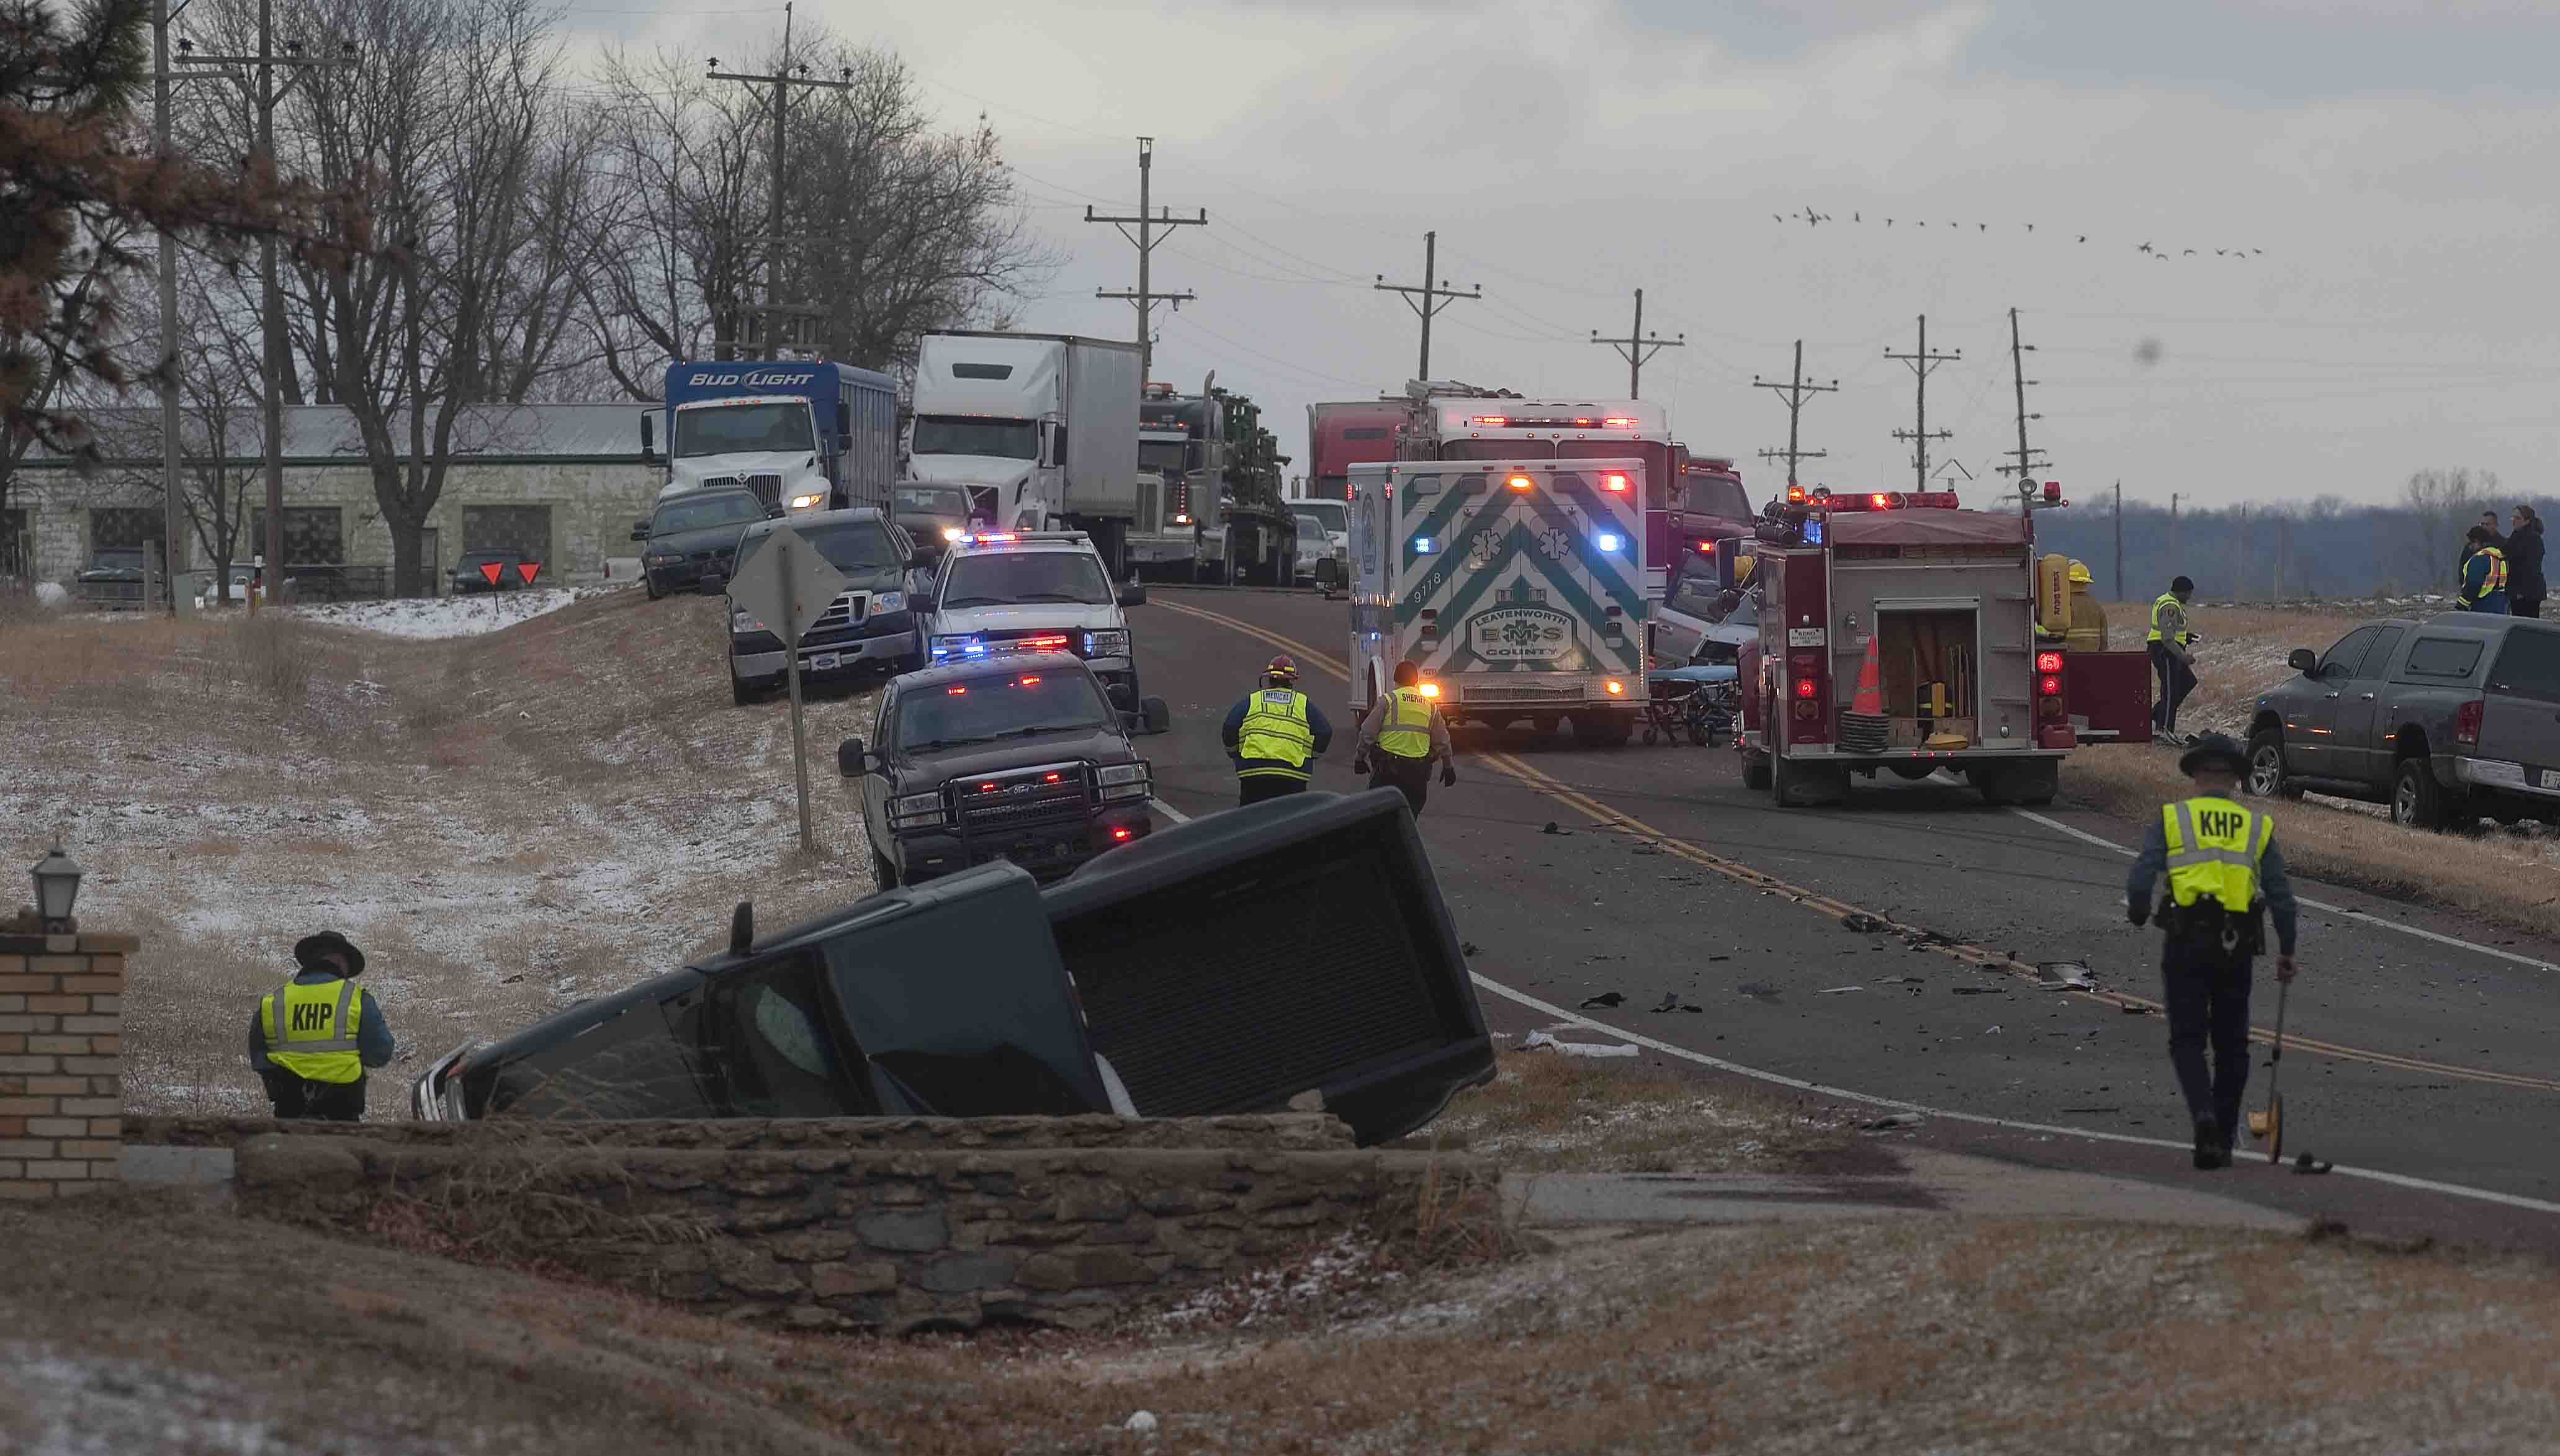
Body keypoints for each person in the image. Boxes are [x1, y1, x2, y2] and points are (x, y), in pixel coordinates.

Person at [2126, 733, 2299, 1171]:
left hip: (2185, 941)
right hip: (2236, 945)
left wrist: (2139, 911)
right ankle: (2222, 1136)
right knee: (2231, 1045)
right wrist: (2287, 949)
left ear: (2197, 774)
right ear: (2236, 779)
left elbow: (2141, 877)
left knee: (2187, 1039)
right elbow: (2280, 896)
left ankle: (2202, 1115)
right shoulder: (2255, 827)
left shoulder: (2174, 818)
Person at [250, 931, 394, 1121]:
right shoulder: (357, 999)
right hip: (341, 1117)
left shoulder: (273, 1002)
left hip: (288, 1117)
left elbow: (259, 1057)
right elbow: (381, 1052)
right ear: (341, 962)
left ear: (310, 960)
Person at [1220, 654, 1332, 806]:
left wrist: (1235, 753)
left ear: (1269, 679)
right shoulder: (1302, 703)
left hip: (1254, 773)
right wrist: (1310, 755)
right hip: (1292, 775)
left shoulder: (1254, 700)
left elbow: (1230, 726)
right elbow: (1324, 731)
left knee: (1252, 817)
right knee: (1291, 818)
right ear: (1291, 681)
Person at [1352, 662, 1456, 816]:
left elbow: (1367, 733)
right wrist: (1448, 767)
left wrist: (1359, 758)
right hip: (1417, 775)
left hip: (1388, 773)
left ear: (1395, 679)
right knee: (1409, 820)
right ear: (1416, 681)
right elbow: (1443, 741)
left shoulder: (1388, 701)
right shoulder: (1430, 706)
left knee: (1377, 817)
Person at [2145, 575, 2199, 743]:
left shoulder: (2170, 602)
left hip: (2169, 650)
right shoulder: (2170, 606)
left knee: (2188, 682)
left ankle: (2157, 714)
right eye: (2189, 593)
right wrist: (2184, 657)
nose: (2189, 597)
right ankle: (2164, 731)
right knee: (2170, 691)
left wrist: (2186, 637)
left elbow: (2171, 631)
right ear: (2182, 591)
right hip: (2165, 651)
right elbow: (2167, 638)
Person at [2457, 526, 2509, 614]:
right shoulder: (2500, 558)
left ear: (2478, 542)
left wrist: (2462, 603)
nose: (2470, 547)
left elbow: (2473, 584)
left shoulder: (2479, 559)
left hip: (2483, 605)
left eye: (2472, 543)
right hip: (2501, 604)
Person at [2507, 505, 2545, 619]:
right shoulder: (2515, 536)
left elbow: (2532, 568)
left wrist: (2521, 591)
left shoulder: (2534, 539)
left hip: (2529, 593)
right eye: (2513, 518)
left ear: (2527, 521)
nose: (2514, 521)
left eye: (2518, 518)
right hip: (2516, 590)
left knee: (2528, 624)